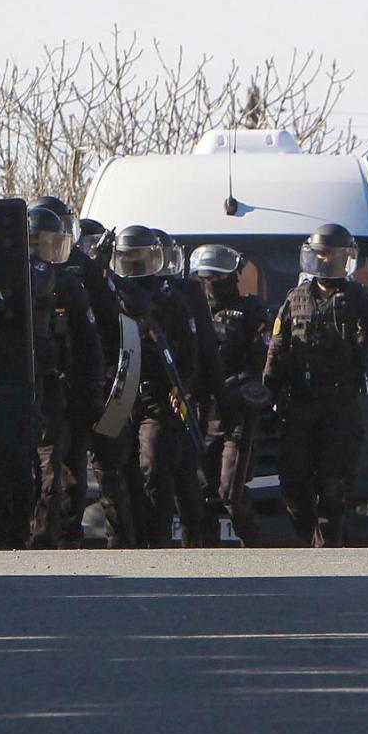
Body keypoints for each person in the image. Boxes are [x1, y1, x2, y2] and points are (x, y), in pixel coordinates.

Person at [263, 223, 368, 547]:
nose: (327, 261)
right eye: (322, 254)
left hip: (340, 405)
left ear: (347, 259)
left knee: (333, 485)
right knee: (293, 484)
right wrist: (268, 394)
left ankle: (328, 554)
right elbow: (276, 348)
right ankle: (316, 541)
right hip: (299, 405)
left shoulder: (361, 300)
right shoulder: (295, 298)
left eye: (334, 255)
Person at [92, 226, 197, 547]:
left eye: (142, 256)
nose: (136, 263)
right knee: (119, 471)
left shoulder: (170, 296)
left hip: (157, 393)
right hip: (121, 392)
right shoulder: (109, 292)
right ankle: (128, 541)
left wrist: (183, 388)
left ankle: (159, 539)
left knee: (154, 465)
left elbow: (190, 350)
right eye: (129, 257)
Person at [26, 206, 105, 548]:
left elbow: (90, 340)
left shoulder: (68, 282)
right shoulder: (3, 276)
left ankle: (50, 536)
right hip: (14, 386)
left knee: (53, 463)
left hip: (55, 383)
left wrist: (95, 387)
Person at [191, 243, 272, 545]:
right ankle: (206, 562)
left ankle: (254, 550)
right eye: (206, 279)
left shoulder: (251, 310)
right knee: (201, 493)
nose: (212, 285)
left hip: (237, 412)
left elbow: (261, 357)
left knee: (230, 491)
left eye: (219, 278)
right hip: (201, 413)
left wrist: (241, 387)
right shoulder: (191, 311)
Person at [151, 229, 223, 546]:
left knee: (184, 470)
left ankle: (195, 539)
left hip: (183, 392)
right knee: (166, 470)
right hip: (146, 391)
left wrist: (204, 392)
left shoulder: (185, 293)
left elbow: (203, 348)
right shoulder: (126, 290)